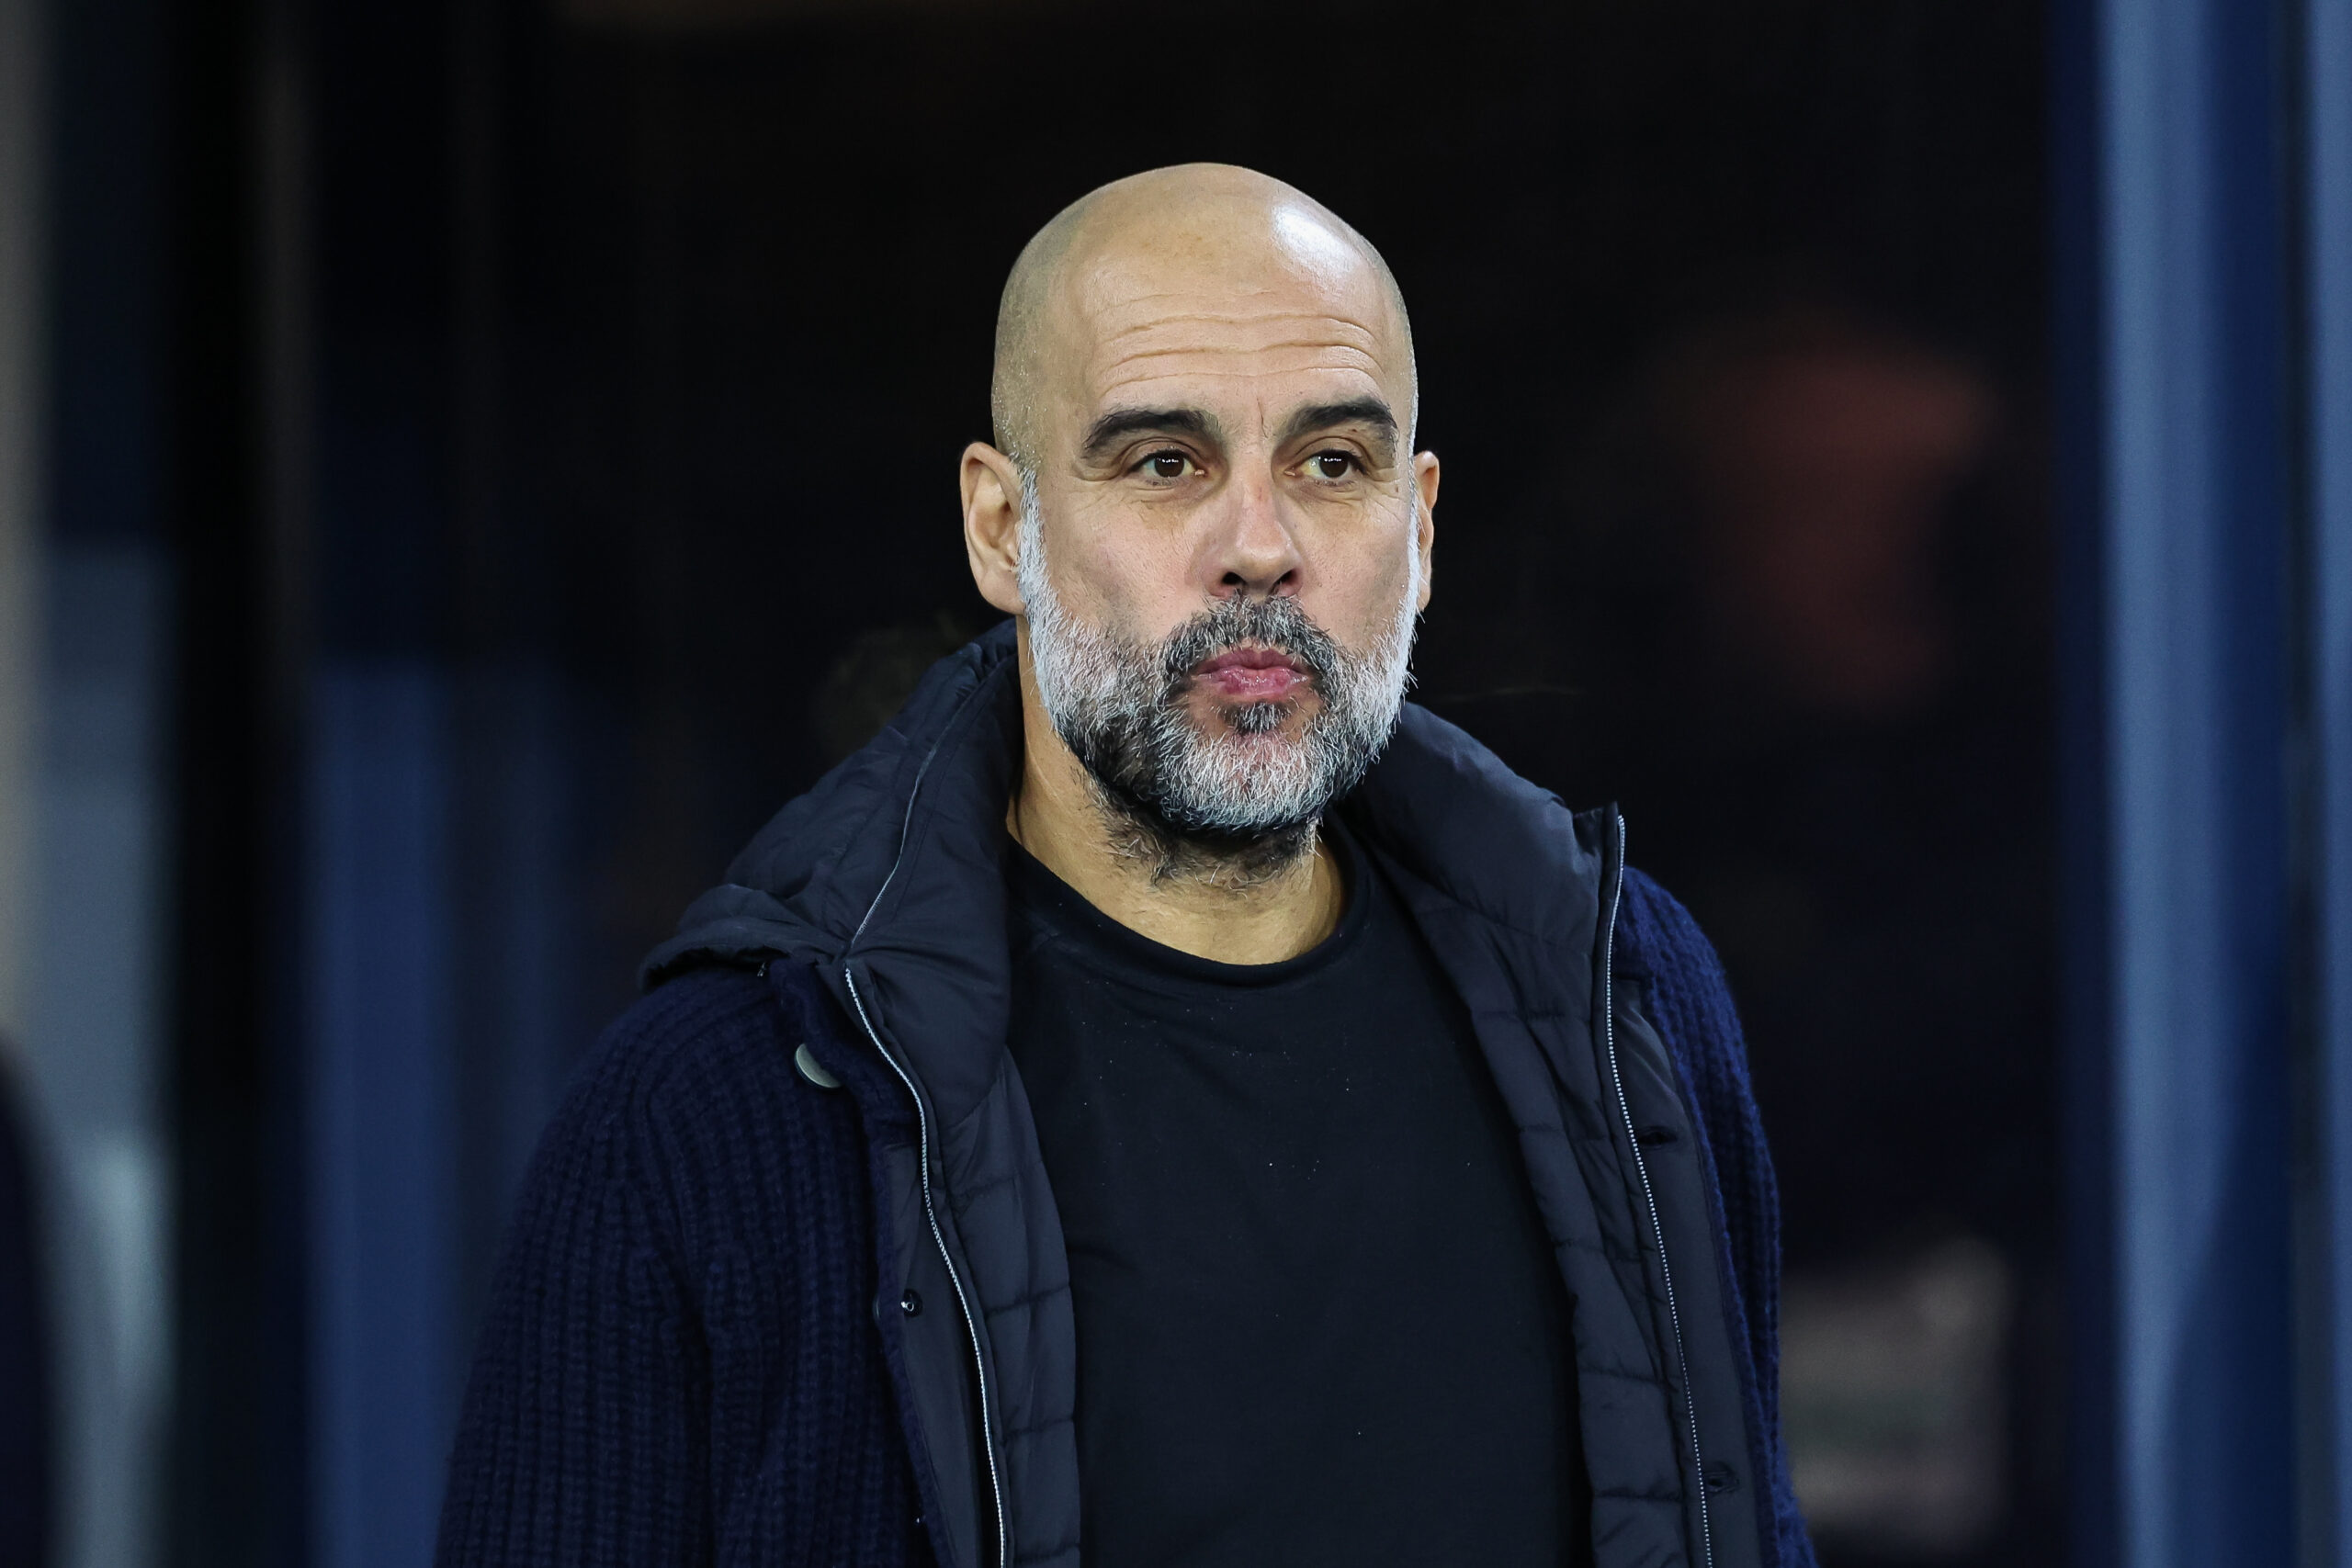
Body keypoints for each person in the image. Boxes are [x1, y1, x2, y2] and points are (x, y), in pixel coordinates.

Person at [435, 163, 1816, 1568]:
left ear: (1421, 526)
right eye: (1167, 463)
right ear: (1000, 527)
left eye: (1332, 464)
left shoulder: (1628, 999)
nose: (1262, 549)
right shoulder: (718, 1113)